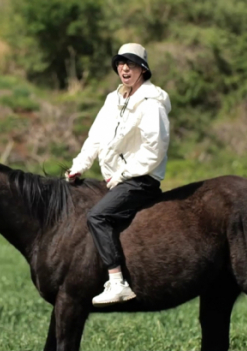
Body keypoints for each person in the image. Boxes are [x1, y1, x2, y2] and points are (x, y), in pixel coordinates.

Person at [66, 43, 171, 307]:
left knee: (97, 216)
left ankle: (117, 283)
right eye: (121, 63)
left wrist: (124, 173)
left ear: (143, 70)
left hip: (141, 179)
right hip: (117, 178)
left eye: (131, 64)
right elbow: (96, 137)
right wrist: (79, 165)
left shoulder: (152, 104)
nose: (125, 68)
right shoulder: (113, 99)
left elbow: (154, 150)